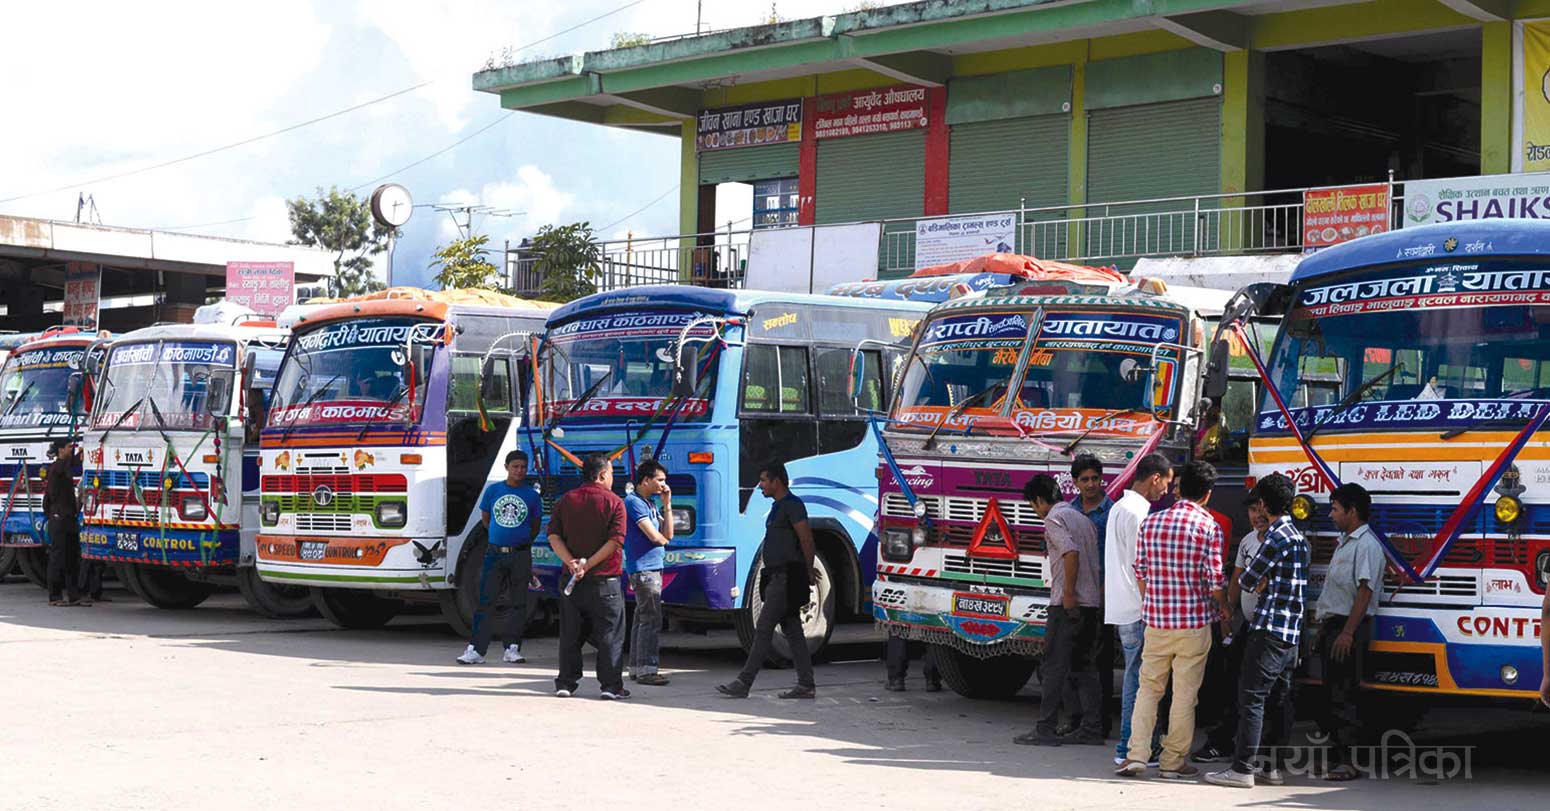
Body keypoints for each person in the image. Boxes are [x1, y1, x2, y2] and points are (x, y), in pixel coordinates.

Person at [1116, 460, 1228, 780]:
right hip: (1193, 625)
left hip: (1156, 622)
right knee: (1184, 695)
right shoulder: (1208, 527)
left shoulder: (1152, 523)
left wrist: (1152, 602)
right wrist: (1225, 609)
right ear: (1207, 494)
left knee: (1148, 689)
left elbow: (1140, 573)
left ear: (1178, 487)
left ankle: (1136, 755)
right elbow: (1216, 582)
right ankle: (1172, 761)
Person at [1205, 474, 1308, 790]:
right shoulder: (1299, 538)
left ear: (1263, 503)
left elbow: (1247, 580)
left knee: (1251, 698)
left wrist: (1262, 582)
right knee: (1279, 700)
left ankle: (1242, 768)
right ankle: (1271, 768)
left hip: (1268, 629)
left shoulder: (1274, 538)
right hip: (1291, 632)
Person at [718, 461, 819, 699]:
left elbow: (806, 538)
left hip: (786, 578)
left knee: (763, 628)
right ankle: (806, 684)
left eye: (764, 480)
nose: (760, 485)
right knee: (792, 630)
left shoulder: (793, 506)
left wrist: (809, 568)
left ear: (777, 481)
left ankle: (744, 682)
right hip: (775, 576)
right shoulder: (777, 507)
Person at [1015, 474, 1103, 746]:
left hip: (1068, 605)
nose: (1035, 511)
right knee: (1084, 667)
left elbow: (1071, 553)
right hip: (1091, 603)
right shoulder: (1083, 519)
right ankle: (1091, 728)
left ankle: (1045, 728)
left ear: (1040, 500)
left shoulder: (1054, 519)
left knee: (1052, 666)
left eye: (1033, 505)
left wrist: (1067, 595)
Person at [1313, 482, 1385, 781]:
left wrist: (1347, 633)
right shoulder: (1347, 542)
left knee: (1344, 696)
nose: (1331, 515)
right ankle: (1337, 757)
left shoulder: (1367, 545)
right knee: (1330, 695)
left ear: (1352, 511)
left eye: (1335, 509)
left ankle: (1349, 761)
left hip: (1348, 627)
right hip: (1335, 625)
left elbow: (1365, 592)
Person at [1105, 452, 1173, 768]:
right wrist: (1153, 606)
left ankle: (1132, 745)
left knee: (1138, 678)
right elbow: (1141, 568)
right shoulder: (1138, 514)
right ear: (1155, 478)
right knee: (1141, 682)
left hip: (1123, 606)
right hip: (1138, 608)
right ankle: (1130, 746)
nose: (1168, 491)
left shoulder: (1121, 507)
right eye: (1167, 483)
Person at [1194, 495, 1269, 763]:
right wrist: (1227, 610)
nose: (1257, 515)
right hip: (1247, 626)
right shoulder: (1249, 541)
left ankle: (1262, 754)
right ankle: (1222, 742)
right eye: (1252, 509)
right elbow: (1236, 577)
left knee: (1265, 693)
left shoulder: (1280, 542)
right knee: (1230, 683)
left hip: (1270, 629)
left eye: (1262, 509)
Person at [548, 452, 629, 700]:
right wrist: (589, 564)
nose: (612, 478)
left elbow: (554, 536)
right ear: (603, 474)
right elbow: (615, 542)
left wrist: (571, 562)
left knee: (571, 633)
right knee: (610, 635)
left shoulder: (565, 500)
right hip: (606, 581)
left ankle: (566, 683)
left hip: (572, 580)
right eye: (612, 473)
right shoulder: (615, 502)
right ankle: (610, 686)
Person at [457, 450, 543, 666]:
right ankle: (476, 649)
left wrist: (519, 542)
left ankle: (512, 648)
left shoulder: (532, 496)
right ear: (506, 467)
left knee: (518, 602)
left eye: (523, 467)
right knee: (486, 601)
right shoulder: (493, 490)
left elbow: (535, 526)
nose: (519, 471)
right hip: (494, 553)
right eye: (515, 466)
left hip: (520, 554)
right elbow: (486, 519)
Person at [1062, 454, 1115, 738]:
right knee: (1073, 660)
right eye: (1085, 479)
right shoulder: (1069, 511)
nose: (1091, 484)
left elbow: (1116, 557)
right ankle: (1075, 719)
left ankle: (1099, 724)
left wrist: (1107, 590)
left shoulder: (1112, 512)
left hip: (1102, 595)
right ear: (1075, 483)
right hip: (1076, 595)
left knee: (1099, 663)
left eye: (1095, 478)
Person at [624, 459, 673, 686]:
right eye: (660, 480)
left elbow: (668, 534)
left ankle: (637, 667)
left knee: (642, 618)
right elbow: (655, 537)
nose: (664, 484)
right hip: (644, 569)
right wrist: (662, 540)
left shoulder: (650, 503)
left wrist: (667, 504)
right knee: (651, 619)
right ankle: (647, 670)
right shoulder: (633, 502)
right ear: (645, 480)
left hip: (653, 566)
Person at [43, 439, 86, 607]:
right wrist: (77, 455)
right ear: (61, 450)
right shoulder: (57, 468)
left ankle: (74, 595)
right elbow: (68, 462)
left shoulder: (64, 467)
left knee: (72, 558)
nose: (71, 449)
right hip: (58, 518)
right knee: (57, 558)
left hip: (69, 518)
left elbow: (72, 462)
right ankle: (54, 596)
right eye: (69, 447)